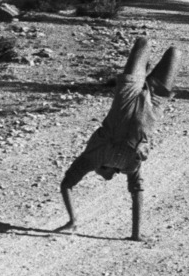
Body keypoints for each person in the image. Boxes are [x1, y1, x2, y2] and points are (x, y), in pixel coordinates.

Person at [56, 39, 179, 241]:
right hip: (152, 101)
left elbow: (66, 185)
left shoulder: (92, 158)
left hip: (130, 94)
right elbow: (137, 193)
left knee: (152, 46)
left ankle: (145, 71)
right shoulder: (130, 167)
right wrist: (136, 235)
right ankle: (146, 72)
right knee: (164, 50)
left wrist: (73, 220)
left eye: (101, 174)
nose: (108, 177)